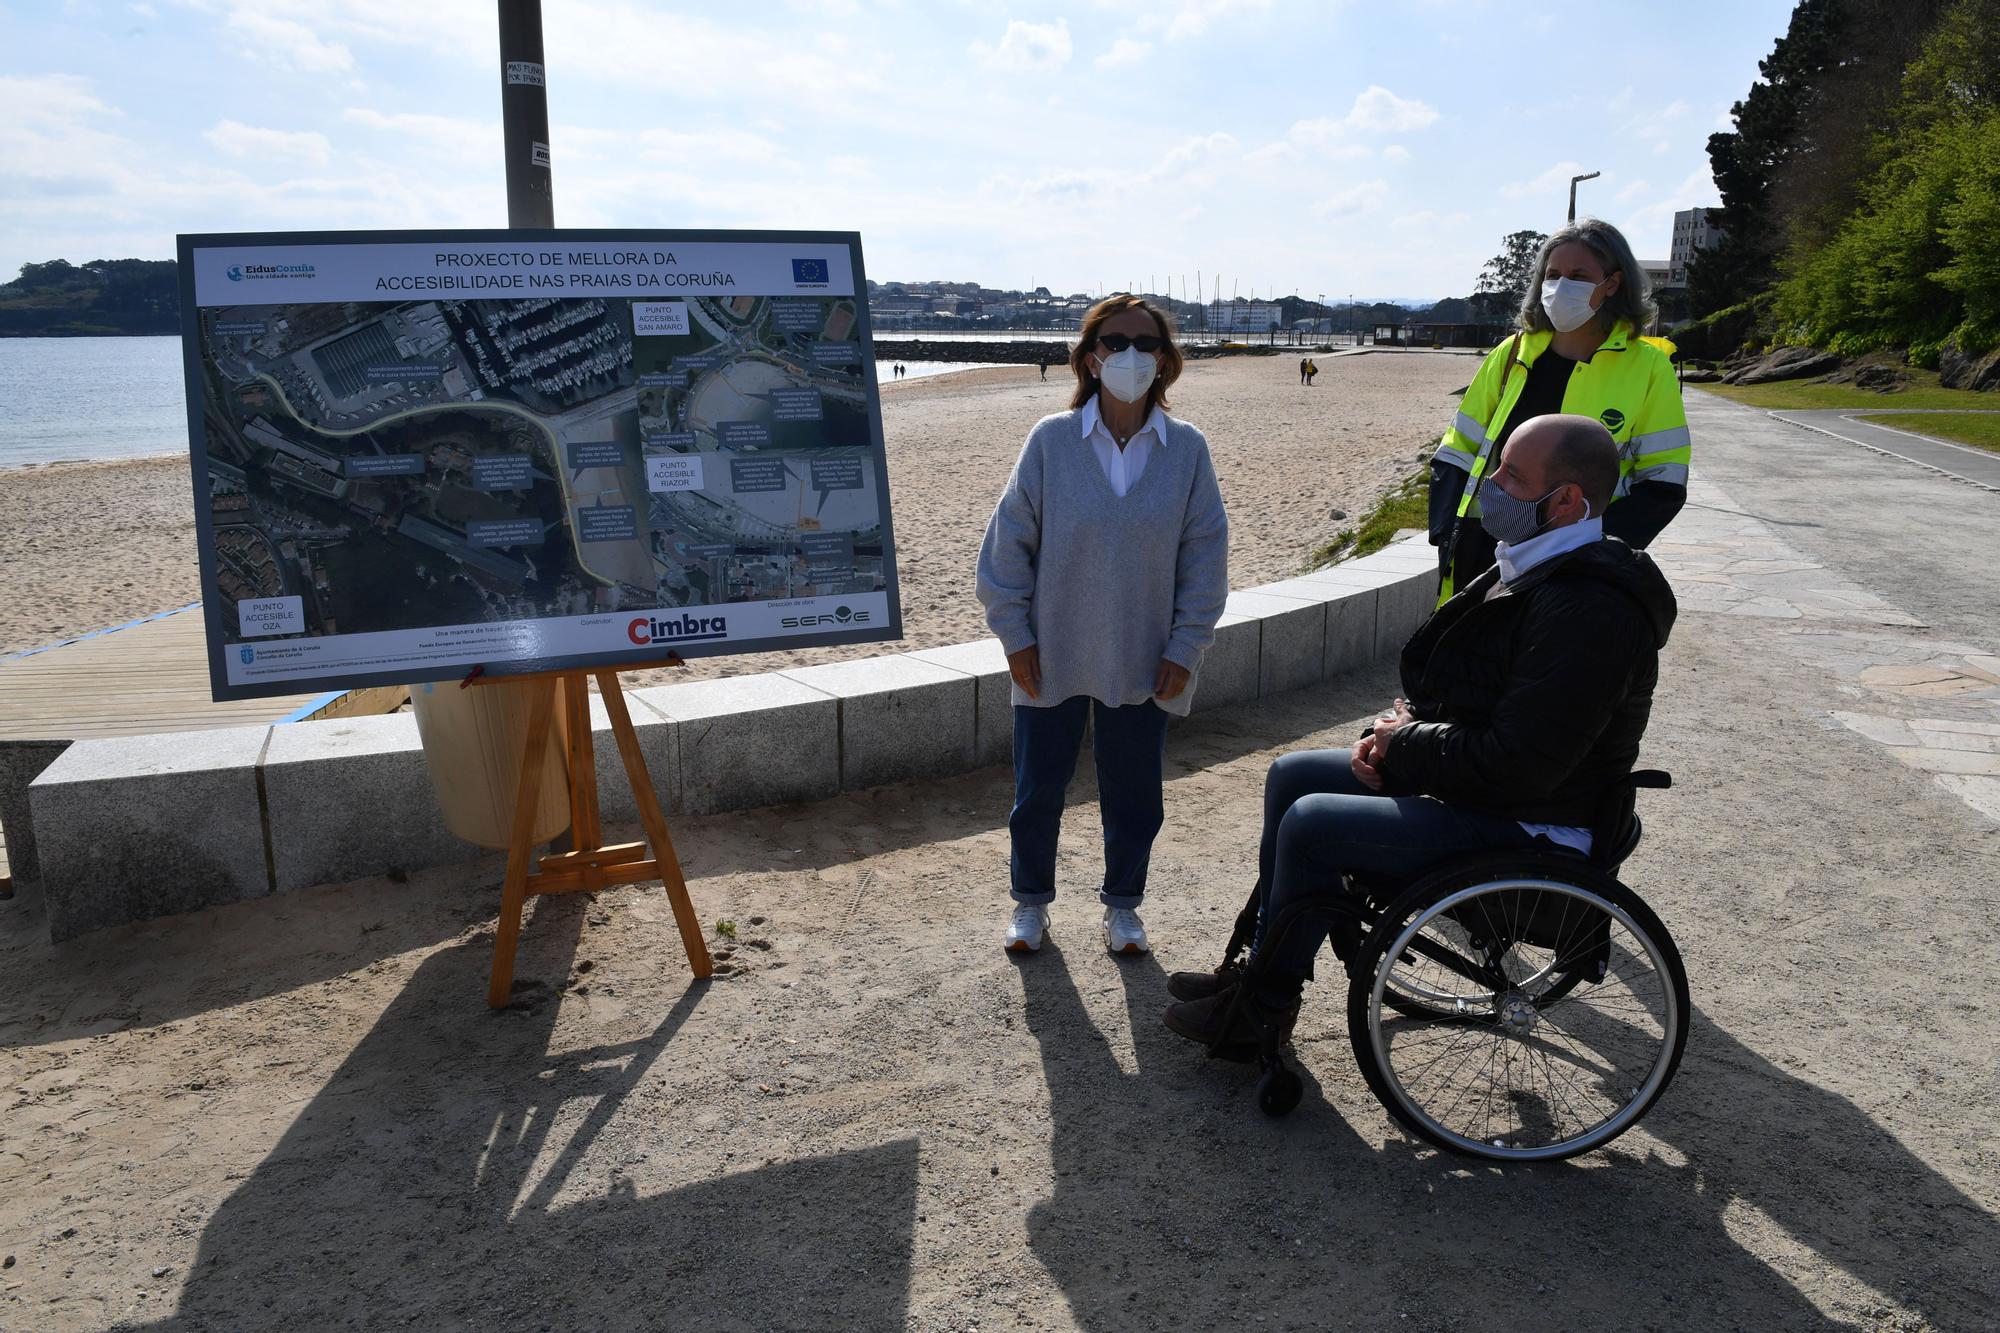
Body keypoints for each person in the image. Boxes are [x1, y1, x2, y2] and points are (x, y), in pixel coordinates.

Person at [1161, 414, 1676, 1047]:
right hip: (1500, 791)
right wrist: (1392, 734)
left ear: (1567, 501)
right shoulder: (1539, 564)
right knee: (1292, 776)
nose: (1491, 484)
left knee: (1315, 825)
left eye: (1512, 475)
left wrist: (1404, 746)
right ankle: (1258, 964)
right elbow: (1478, 697)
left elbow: (1521, 761)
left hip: (1538, 820)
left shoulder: (1590, 608)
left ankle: (1263, 1009)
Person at [977, 295, 1230, 956]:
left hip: (1146, 655)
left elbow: (1205, 556)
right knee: (1036, 792)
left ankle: (1123, 905)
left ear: (1166, 360)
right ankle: (1030, 902)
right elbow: (1007, 548)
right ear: (1091, 357)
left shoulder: (1187, 451)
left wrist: (1186, 645)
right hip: (1051, 649)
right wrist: (1016, 637)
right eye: (1115, 342)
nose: (1130, 356)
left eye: (1146, 343)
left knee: (1135, 795)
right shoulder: (1051, 442)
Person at [1430, 218, 1689, 602]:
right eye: (1553, 274)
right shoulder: (1512, 353)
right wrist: (1445, 528)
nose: (1561, 285)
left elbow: (1664, 481)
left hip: (1575, 562)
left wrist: (1598, 551)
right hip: (1484, 542)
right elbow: (1458, 446)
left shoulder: (1648, 368)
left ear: (1612, 284)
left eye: (1578, 275)